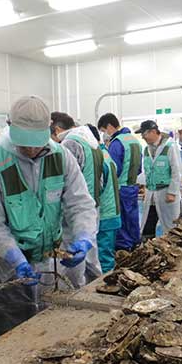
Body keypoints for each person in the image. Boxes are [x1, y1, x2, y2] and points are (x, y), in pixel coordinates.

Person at [0, 96, 97, 343]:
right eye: (25, 144)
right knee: (10, 341)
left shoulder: (61, 156)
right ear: (9, 127)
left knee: (56, 337)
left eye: (35, 144)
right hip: (8, 270)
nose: (31, 150)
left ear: (49, 130)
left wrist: (84, 237)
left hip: (51, 265)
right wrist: (15, 262)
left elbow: (80, 204)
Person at [52, 112, 103, 285]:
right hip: (91, 207)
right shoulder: (92, 142)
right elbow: (101, 180)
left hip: (74, 213)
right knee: (91, 258)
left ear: (57, 130)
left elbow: (63, 182)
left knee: (74, 265)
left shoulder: (70, 144)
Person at [97, 112, 142, 250]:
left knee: (121, 220)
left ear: (110, 126)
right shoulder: (135, 140)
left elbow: (113, 169)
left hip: (120, 188)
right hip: (132, 186)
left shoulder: (117, 143)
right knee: (133, 218)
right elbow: (139, 168)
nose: (105, 134)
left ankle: (124, 248)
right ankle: (135, 243)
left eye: (104, 131)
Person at [137, 120, 182, 238]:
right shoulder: (146, 149)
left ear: (153, 131)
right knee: (147, 226)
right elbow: (147, 171)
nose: (142, 137)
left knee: (171, 228)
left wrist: (172, 192)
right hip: (151, 194)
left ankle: (174, 252)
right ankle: (147, 251)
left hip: (165, 193)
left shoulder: (170, 146)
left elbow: (177, 172)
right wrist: (145, 189)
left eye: (144, 134)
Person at [88, 124, 121, 273]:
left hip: (105, 216)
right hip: (111, 213)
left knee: (104, 260)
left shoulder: (97, 159)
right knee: (106, 256)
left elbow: (94, 190)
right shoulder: (105, 153)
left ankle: (106, 290)